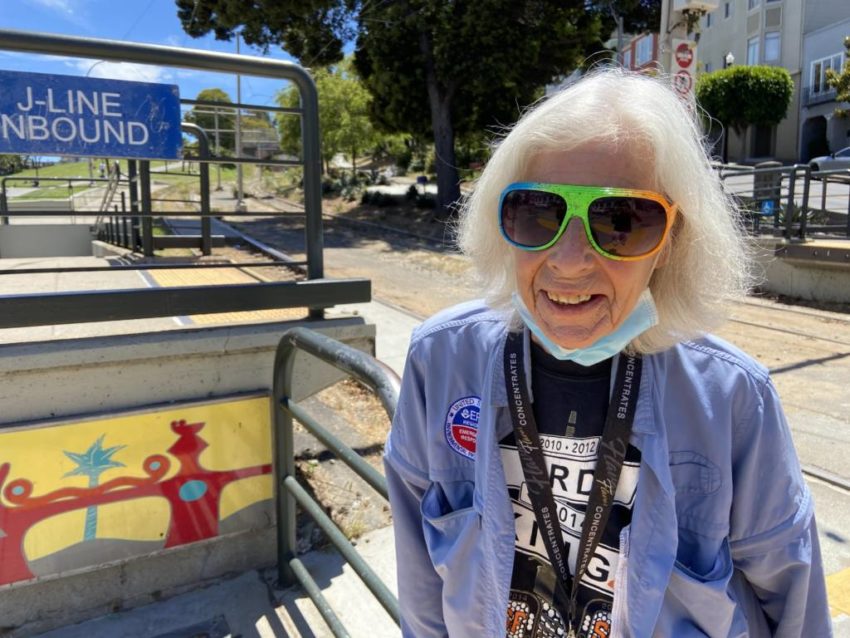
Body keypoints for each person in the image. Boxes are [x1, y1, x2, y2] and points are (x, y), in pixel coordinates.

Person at [384, 69, 831, 638]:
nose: (569, 261)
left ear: (670, 240)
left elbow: (794, 603)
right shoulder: (440, 362)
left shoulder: (735, 398)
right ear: (503, 222)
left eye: (621, 221)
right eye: (538, 212)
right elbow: (421, 581)